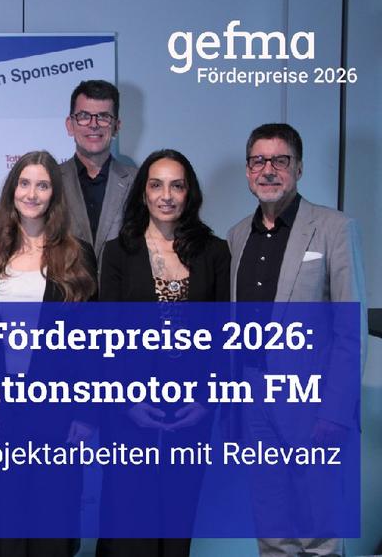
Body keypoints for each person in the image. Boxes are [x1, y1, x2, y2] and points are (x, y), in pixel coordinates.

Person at [227, 124, 365, 557]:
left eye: (280, 160)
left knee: (319, 537)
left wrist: (336, 413)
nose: (268, 170)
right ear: (247, 171)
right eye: (258, 161)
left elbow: (349, 331)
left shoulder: (334, 228)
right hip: (253, 400)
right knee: (273, 533)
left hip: (313, 405)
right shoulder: (236, 236)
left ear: (299, 168)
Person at [97, 149, 229, 557]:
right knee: (129, 522)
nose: (166, 196)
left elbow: (224, 338)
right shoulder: (119, 252)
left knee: (177, 516)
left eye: (177, 186)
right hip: (130, 409)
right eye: (156, 185)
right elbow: (108, 338)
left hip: (191, 409)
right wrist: (128, 402)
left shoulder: (215, 252)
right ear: (143, 193)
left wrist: (205, 402)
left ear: (190, 193)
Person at [0, 150, 96, 557]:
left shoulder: (77, 256)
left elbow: (93, 345)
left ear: (54, 195)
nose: (32, 193)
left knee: (51, 527)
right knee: (4, 528)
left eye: (42, 185)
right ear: (12, 190)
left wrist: (86, 413)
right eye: (24, 183)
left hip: (57, 412)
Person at [58, 80, 136, 268]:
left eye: (103, 117)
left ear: (116, 126)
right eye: (84, 116)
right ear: (70, 125)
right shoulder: (50, 181)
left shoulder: (138, 181)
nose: (94, 125)